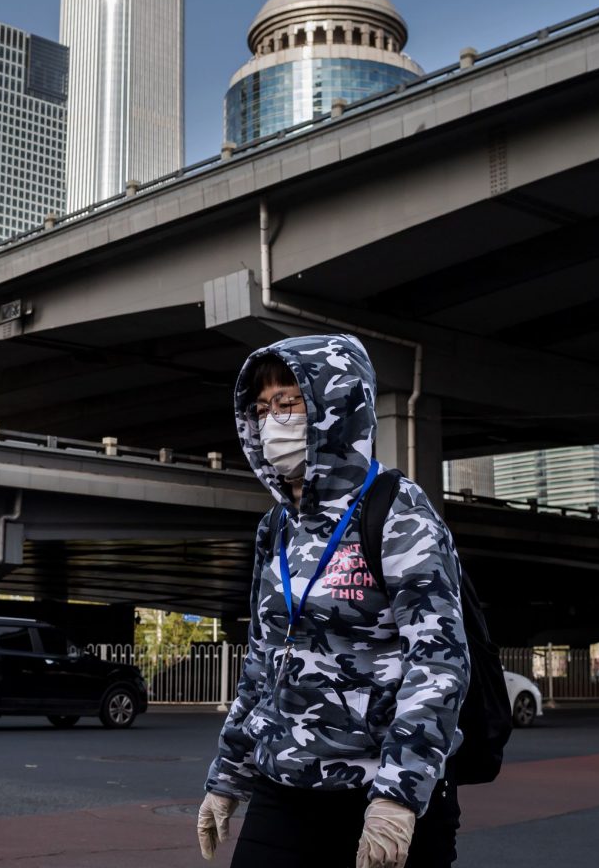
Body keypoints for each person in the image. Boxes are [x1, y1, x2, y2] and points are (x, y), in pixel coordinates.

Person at [198, 334, 470, 868]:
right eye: (262, 408)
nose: (273, 421)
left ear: (336, 405)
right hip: (286, 788)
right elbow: (262, 660)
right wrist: (228, 774)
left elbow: (439, 661)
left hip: (381, 793)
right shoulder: (276, 527)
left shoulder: (397, 511)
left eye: (289, 403)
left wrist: (396, 796)